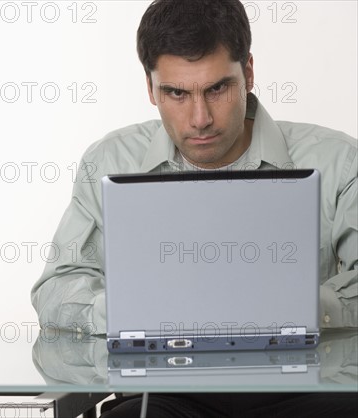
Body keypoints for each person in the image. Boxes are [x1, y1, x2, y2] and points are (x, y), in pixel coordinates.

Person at [31, 0, 357, 415]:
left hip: (308, 392)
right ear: (150, 89)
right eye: (176, 93)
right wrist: (141, 313)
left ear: (249, 73)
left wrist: (295, 310)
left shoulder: (340, 161)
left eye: (217, 88)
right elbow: (56, 290)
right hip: (163, 395)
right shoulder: (110, 161)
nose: (199, 118)